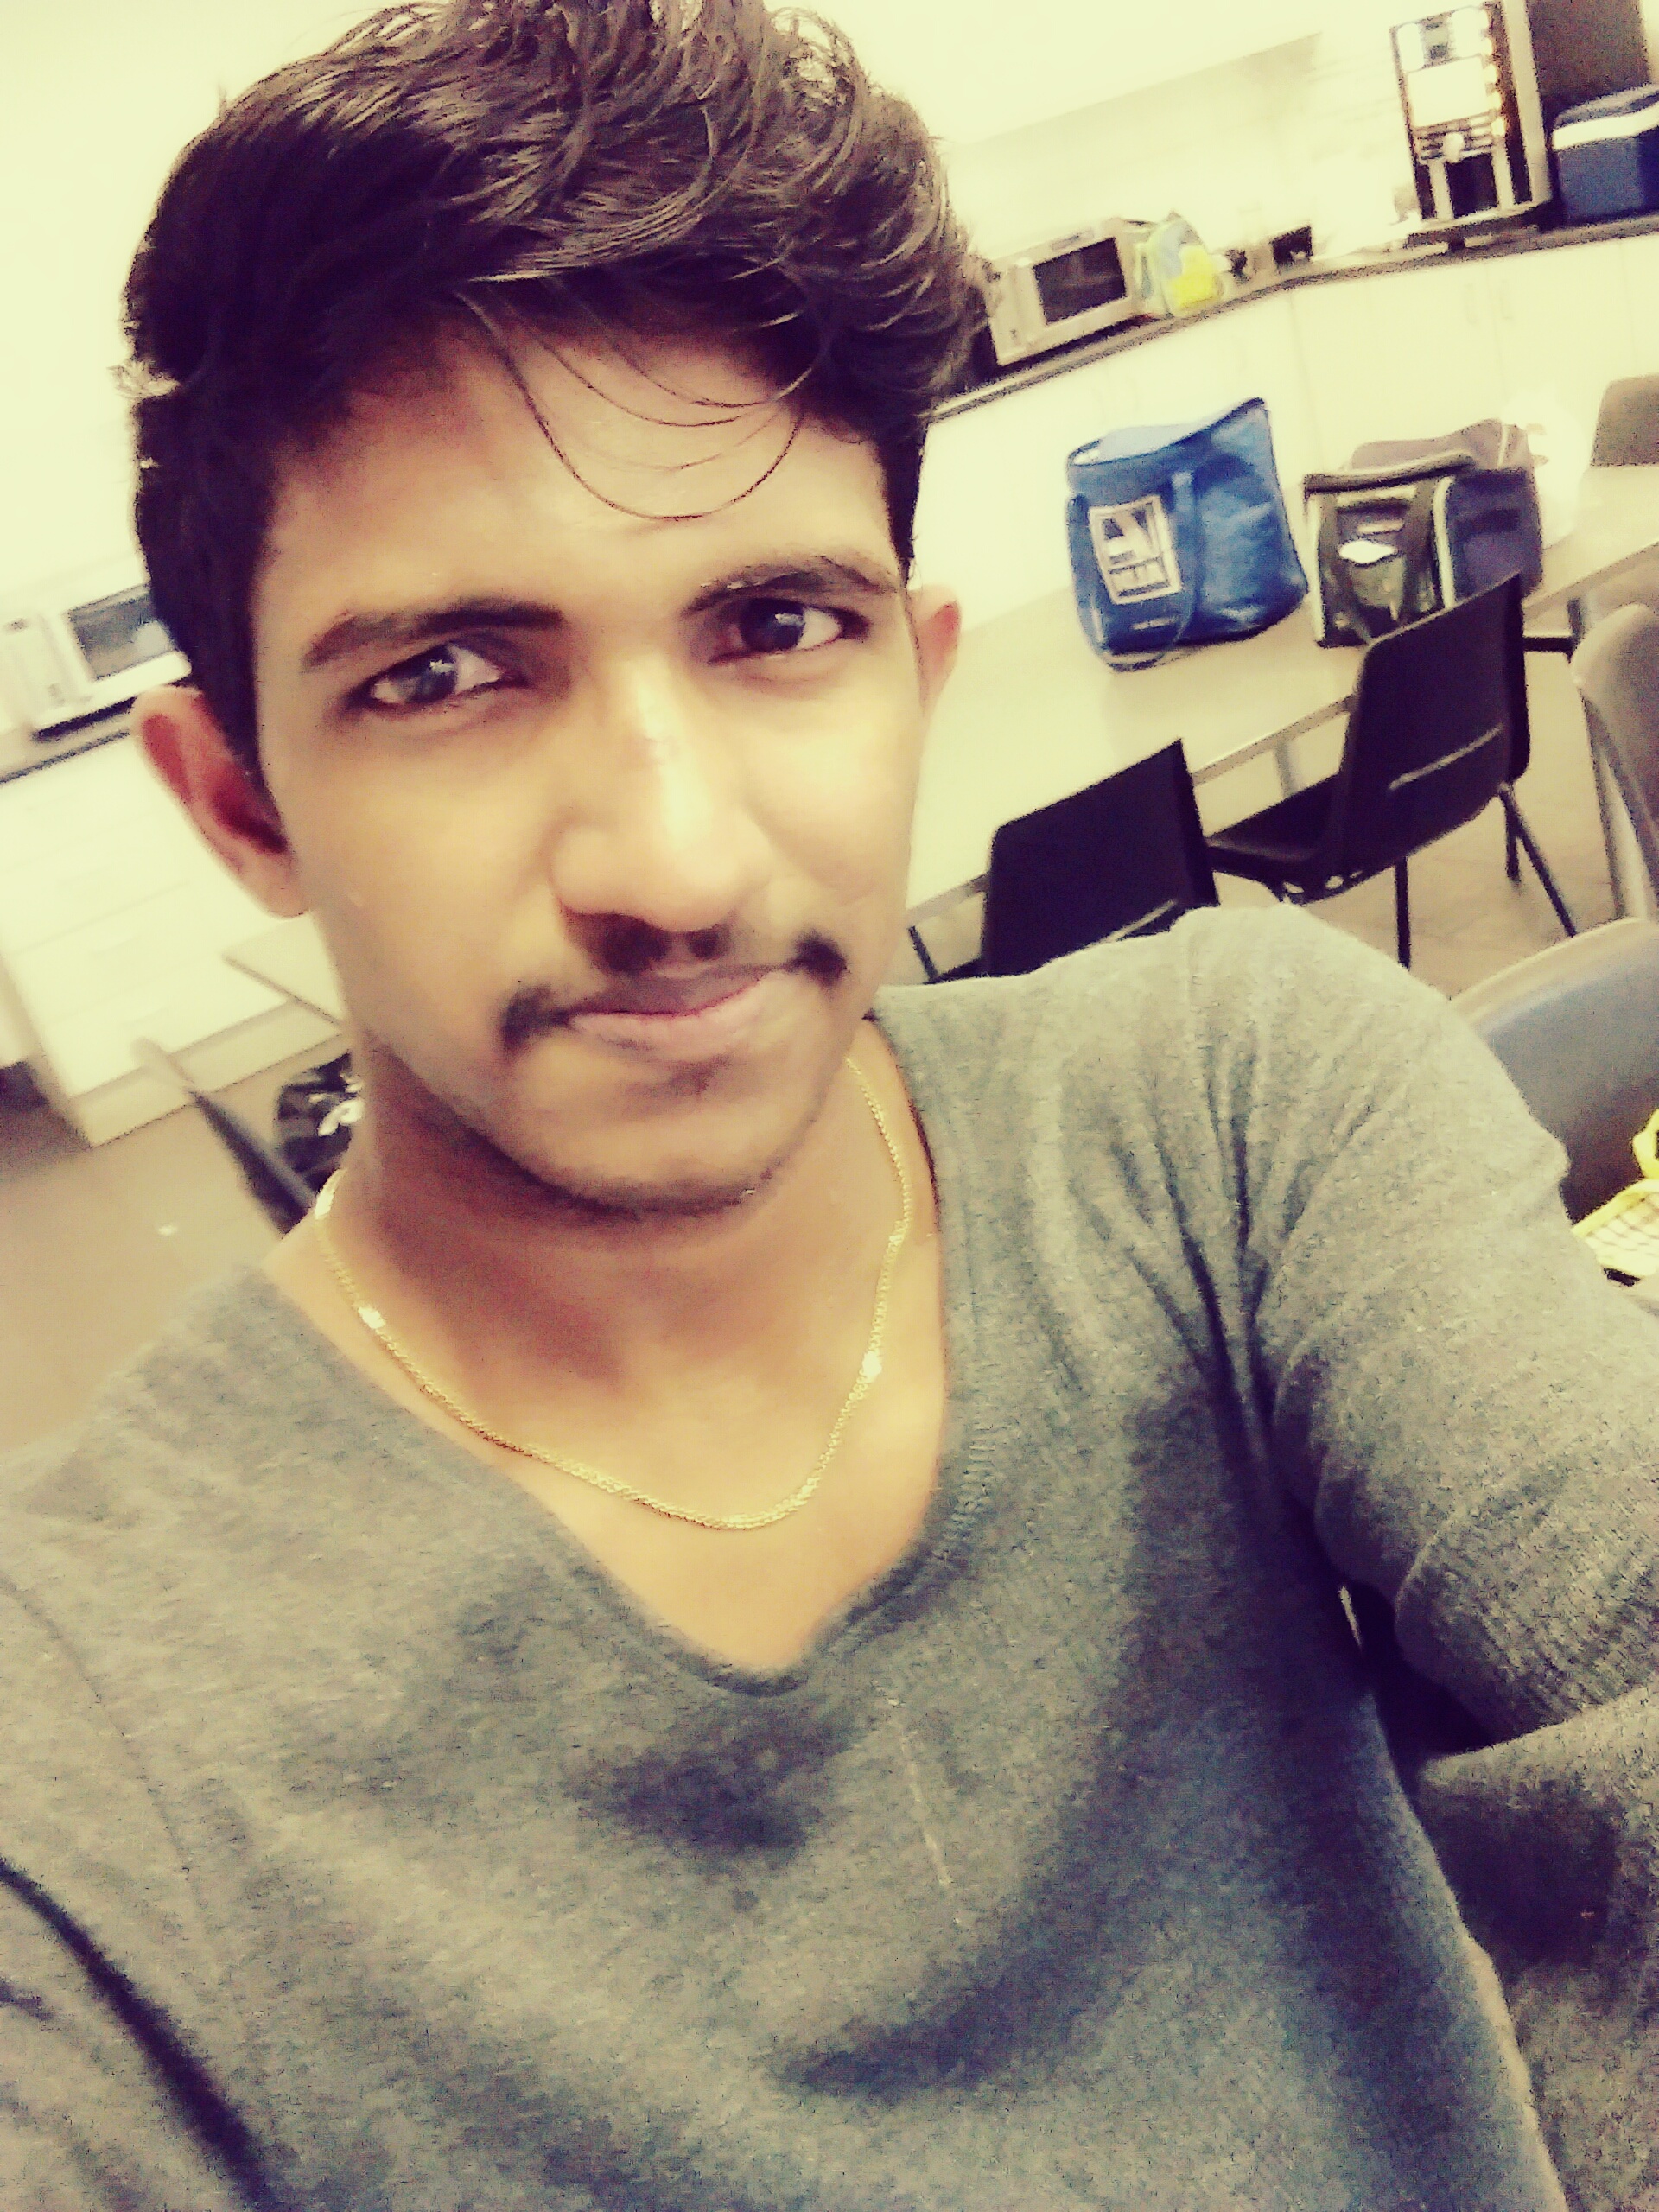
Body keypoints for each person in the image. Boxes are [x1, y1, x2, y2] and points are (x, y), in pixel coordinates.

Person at [1, 1, 1655, 2204]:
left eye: (778, 623)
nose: (677, 863)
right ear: (239, 800)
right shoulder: (84, 1727)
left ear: (915, 673)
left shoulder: (1237, 1122)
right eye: (445, 673)